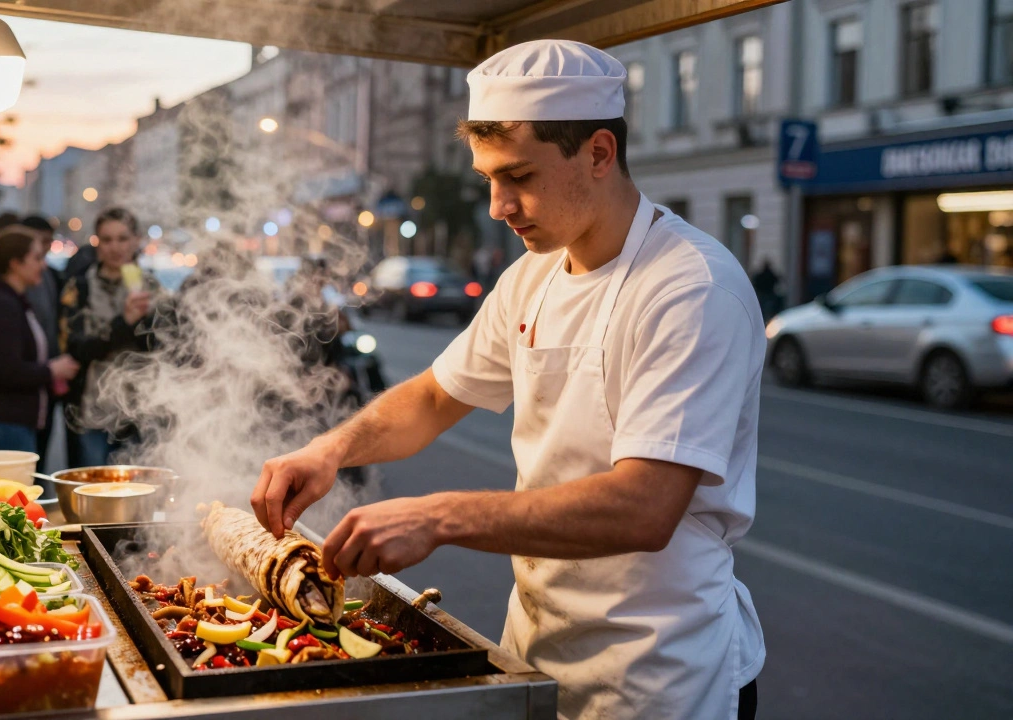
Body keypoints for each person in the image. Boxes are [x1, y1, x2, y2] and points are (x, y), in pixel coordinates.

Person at [252, 40, 764, 720]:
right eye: (488, 178)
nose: (498, 205)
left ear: (599, 153)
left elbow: (644, 507)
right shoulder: (532, 276)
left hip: (659, 674)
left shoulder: (691, 288)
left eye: (518, 176)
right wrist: (329, 450)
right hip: (536, 648)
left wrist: (437, 516)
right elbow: (435, 395)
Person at [61, 207, 161, 466]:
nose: (115, 247)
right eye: (107, 239)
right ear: (97, 243)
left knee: (138, 494)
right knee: (92, 492)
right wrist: (123, 323)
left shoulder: (151, 287)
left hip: (139, 411)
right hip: (93, 412)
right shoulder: (79, 287)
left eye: (123, 238)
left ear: (136, 240)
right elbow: (76, 347)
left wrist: (145, 320)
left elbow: (162, 349)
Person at [0, 228, 80, 453]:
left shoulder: (12, 300)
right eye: (37, 258)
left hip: (12, 421)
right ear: (15, 264)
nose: (43, 265)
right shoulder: (2, 305)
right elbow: (8, 369)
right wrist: (52, 370)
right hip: (3, 422)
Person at [20, 214, 63, 471]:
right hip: (25, 389)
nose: (45, 251)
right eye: (41, 243)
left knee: (40, 459)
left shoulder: (48, 276)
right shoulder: (5, 297)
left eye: (48, 242)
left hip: (46, 381)